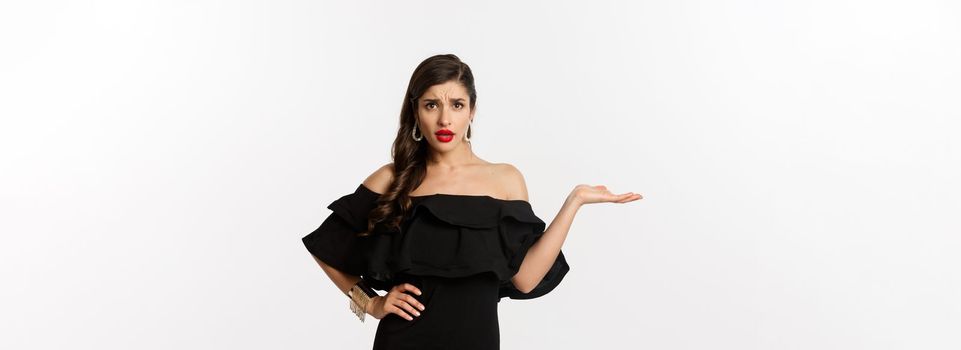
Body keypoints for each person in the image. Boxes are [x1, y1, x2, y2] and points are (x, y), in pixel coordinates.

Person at [302, 53, 643, 350]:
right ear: (416, 112)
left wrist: (574, 201)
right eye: (431, 104)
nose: (445, 119)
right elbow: (326, 247)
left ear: (472, 111)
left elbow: (525, 279)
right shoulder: (393, 177)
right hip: (404, 342)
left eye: (457, 104)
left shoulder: (505, 180)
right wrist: (371, 303)